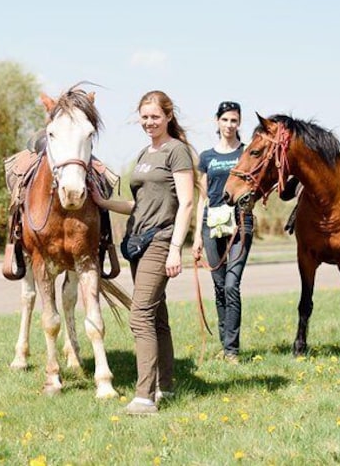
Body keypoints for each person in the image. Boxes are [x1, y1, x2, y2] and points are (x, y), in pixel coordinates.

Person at [93, 90, 196, 415]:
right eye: (145, 116)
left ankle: (144, 397)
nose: (149, 122)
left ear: (168, 116)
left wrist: (176, 249)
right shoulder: (144, 153)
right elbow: (139, 204)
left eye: (155, 116)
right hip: (138, 242)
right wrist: (102, 203)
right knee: (156, 316)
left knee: (140, 315)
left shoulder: (176, 151)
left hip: (162, 241)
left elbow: (187, 202)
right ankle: (166, 386)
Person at [191, 101, 254, 364]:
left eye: (234, 120)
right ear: (217, 121)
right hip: (211, 224)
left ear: (239, 123)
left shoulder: (247, 152)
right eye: (225, 120)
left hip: (240, 223)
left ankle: (232, 351)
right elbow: (202, 198)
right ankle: (224, 345)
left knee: (231, 286)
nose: (229, 125)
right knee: (218, 288)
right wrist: (196, 236)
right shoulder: (206, 157)